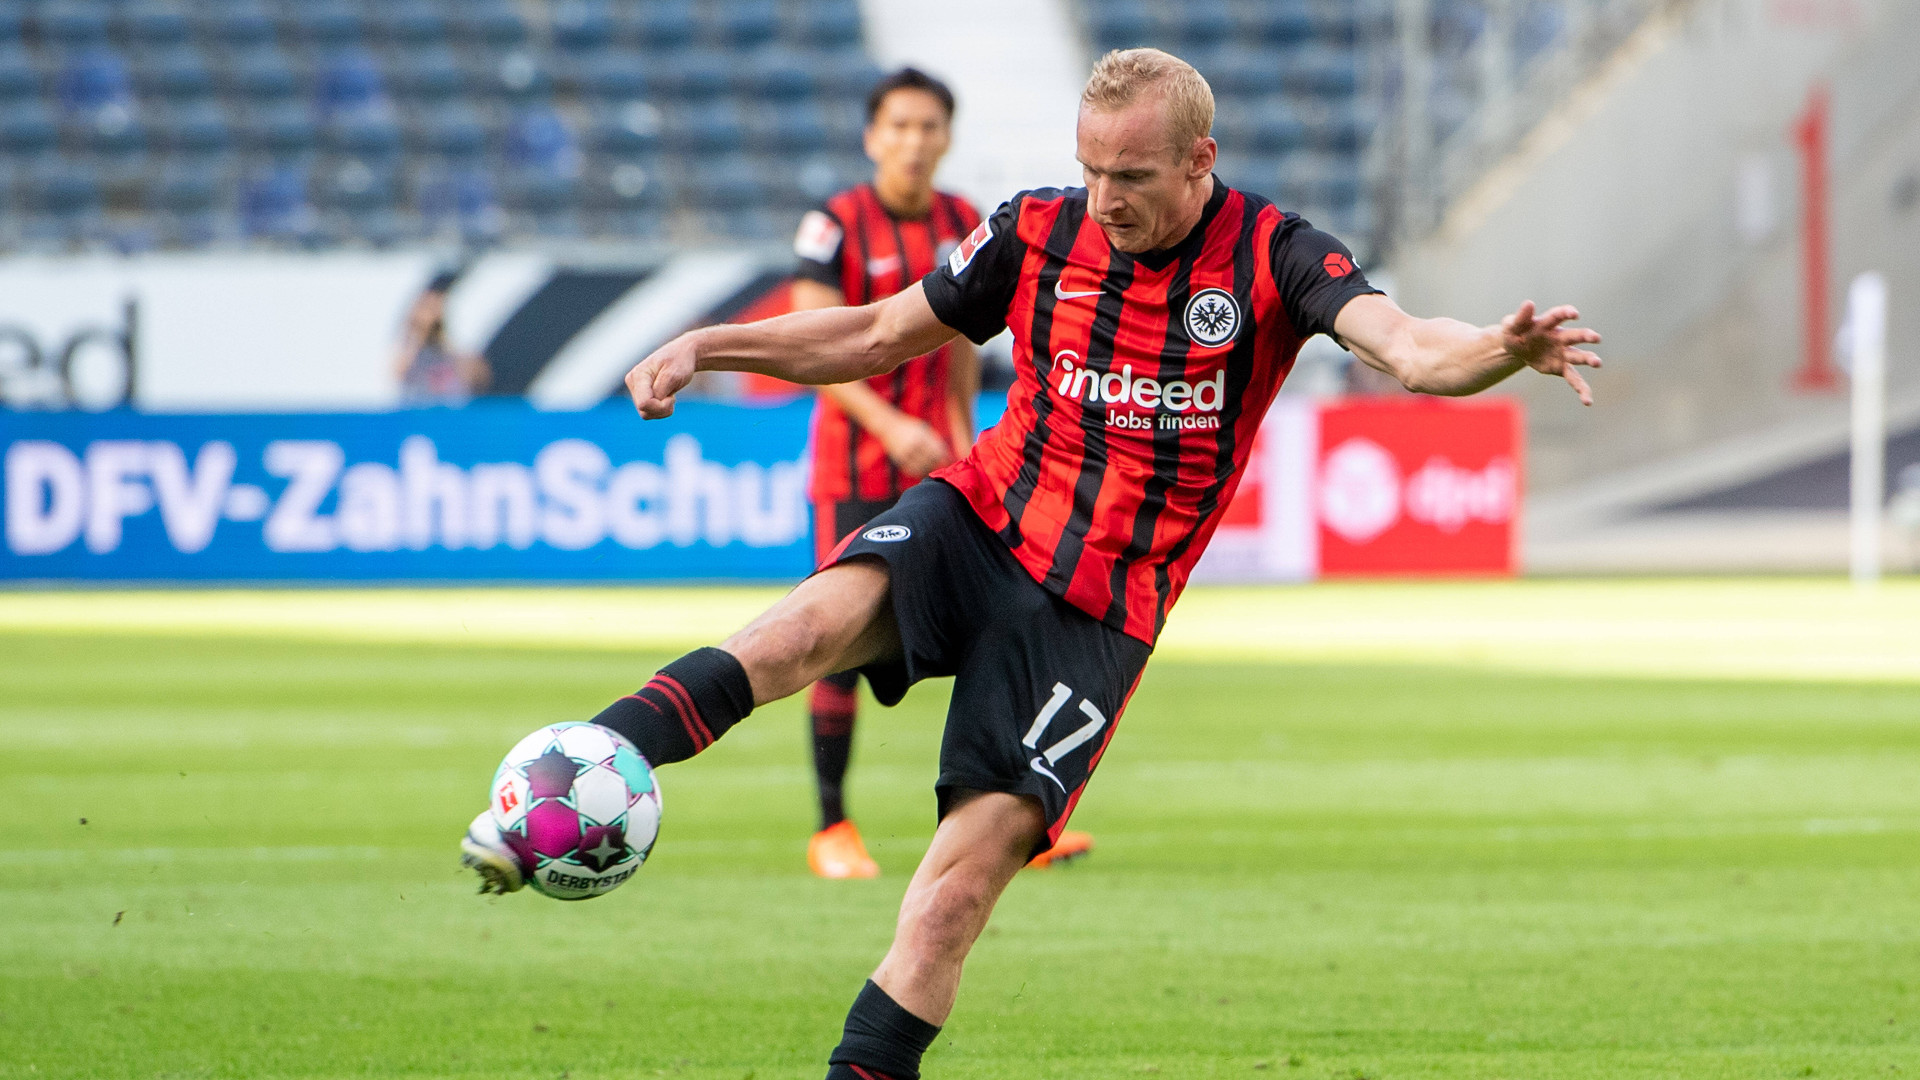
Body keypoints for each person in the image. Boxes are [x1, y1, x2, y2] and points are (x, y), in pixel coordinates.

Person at [462, 48, 1601, 1080]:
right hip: (983, 515)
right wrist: (709, 344)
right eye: (1092, 170)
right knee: (800, 631)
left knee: (956, 895)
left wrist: (1499, 350)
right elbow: (872, 332)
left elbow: (1408, 348)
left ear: (1201, 160)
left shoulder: (1276, 253)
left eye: (1136, 177)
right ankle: (570, 780)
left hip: (1100, 612)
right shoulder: (1036, 230)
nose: (1107, 200)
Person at [788, 68, 1095, 879]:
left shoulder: (967, 221)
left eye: (929, 127)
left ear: (947, 137)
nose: (914, 141)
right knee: (838, 638)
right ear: (872, 136)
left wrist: (961, 439)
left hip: (951, 470)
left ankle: (1010, 818)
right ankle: (832, 827)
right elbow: (814, 341)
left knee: (1006, 620)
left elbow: (960, 344)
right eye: (899, 127)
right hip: (853, 464)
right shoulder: (835, 225)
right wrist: (892, 425)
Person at [394, 273, 489, 407]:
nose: (431, 313)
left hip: (451, 418)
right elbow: (397, 371)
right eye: (426, 306)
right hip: (421, 417)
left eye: (434, 307)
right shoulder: (410, 352)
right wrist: (417, 330)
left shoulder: (457, 354)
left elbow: (479, 374)